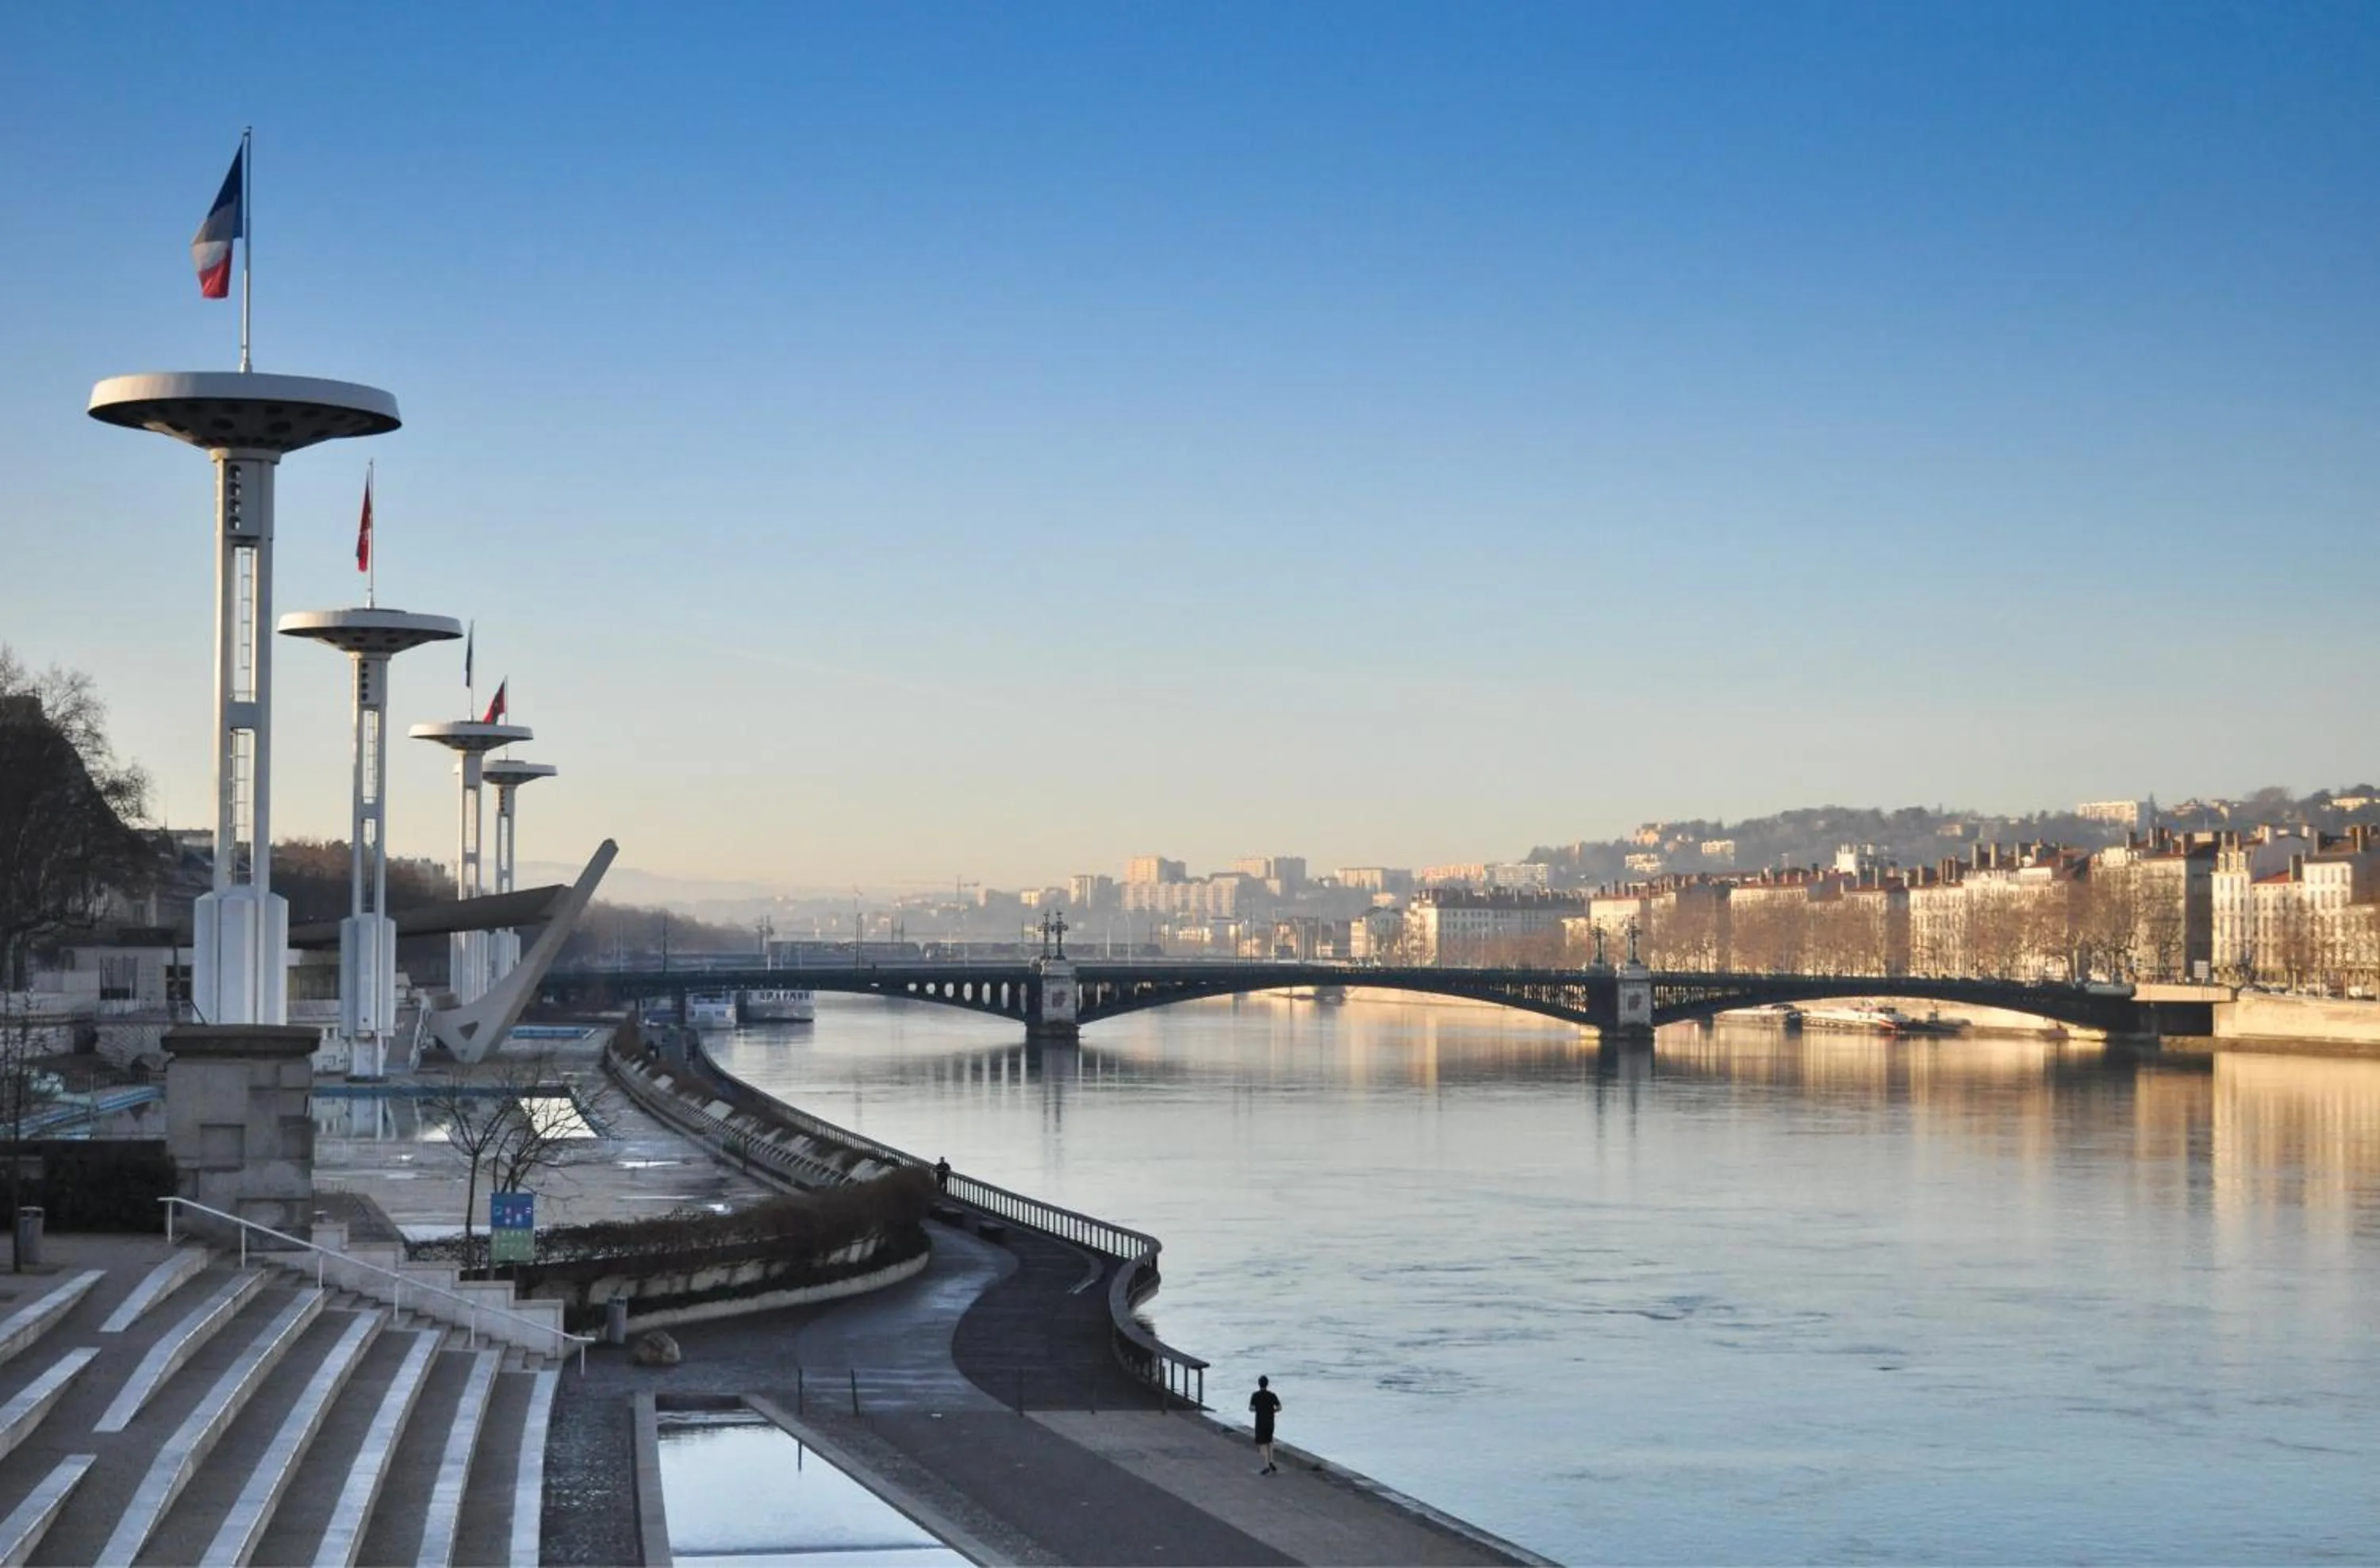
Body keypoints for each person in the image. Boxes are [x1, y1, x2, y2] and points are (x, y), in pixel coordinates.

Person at [1249, 1375, 1282, 1474]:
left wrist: (1259, 1409)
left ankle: (1266, 1465)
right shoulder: (1272, 1395)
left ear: (1259, 1384)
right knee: (1270, 1441)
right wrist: (1273, 1411)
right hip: (1270, 1422)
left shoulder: (1255, 1395)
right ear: (1267, 1384)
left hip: (1260, 1422)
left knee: (1262, 1443)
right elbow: (1279, 1408)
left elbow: (1251, 1408)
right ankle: (1271, 1461)